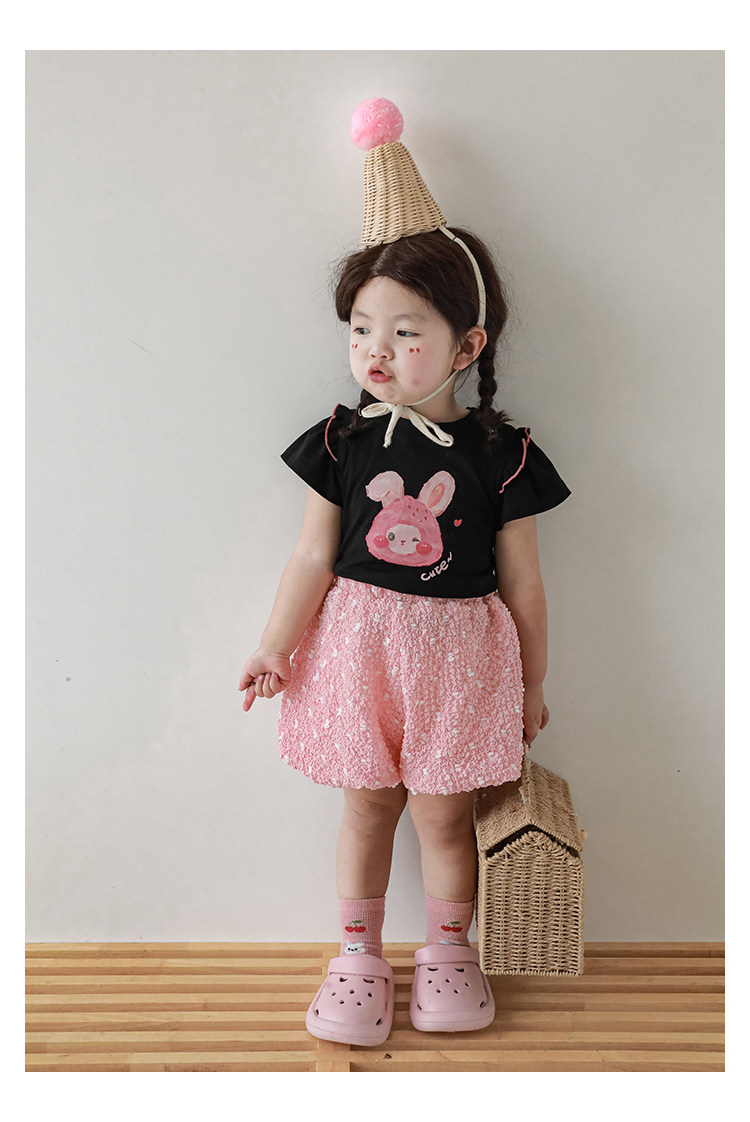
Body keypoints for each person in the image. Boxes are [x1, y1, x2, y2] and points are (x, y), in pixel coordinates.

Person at [238, 99, 570, 1046]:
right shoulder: (342, 441)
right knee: (368, 807)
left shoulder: (502, 455)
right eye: (361, 329)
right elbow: (313, 555)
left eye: (405, 332)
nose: (375, 352)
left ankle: (450, 954)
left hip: (462, 663)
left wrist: (531, 684)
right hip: (358, 653)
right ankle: (356, 957)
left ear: (468, 346)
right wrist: (273, 645)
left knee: (443, 817)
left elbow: (525, 586)